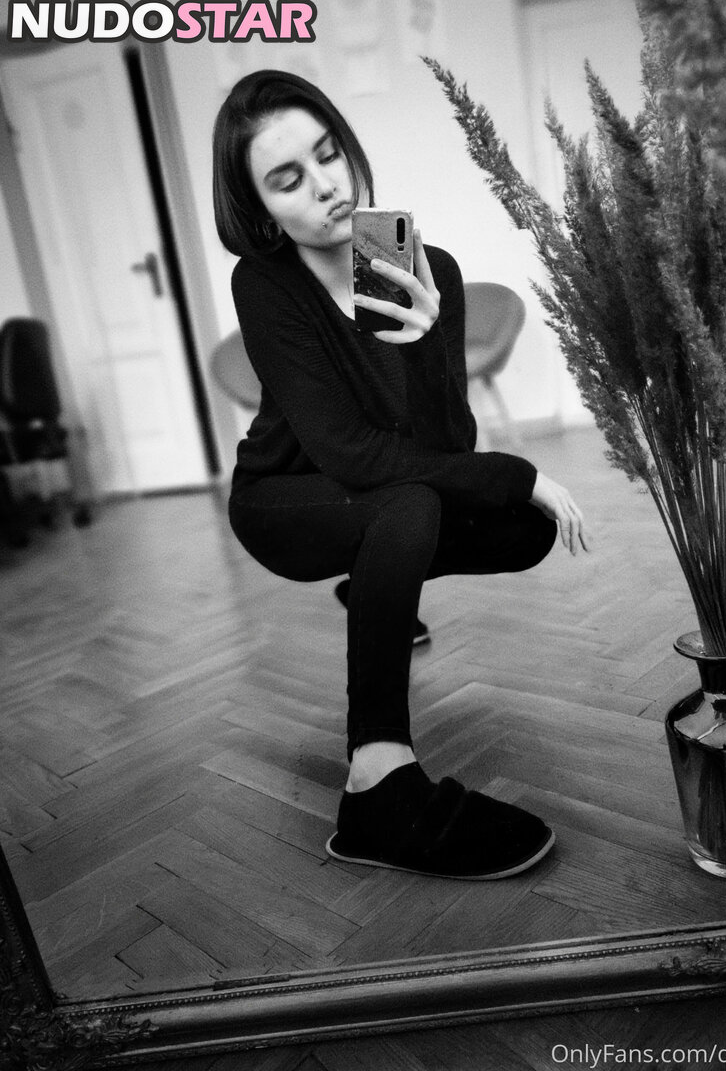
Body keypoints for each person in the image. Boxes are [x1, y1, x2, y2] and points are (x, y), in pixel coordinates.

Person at [212, 70, 590, 882]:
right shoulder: (266, 283)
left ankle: (379, 574)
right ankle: (376, 785)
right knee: (414, 501)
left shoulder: (419, 264)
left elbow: (446, 441)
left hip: (376, 497)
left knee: (522, 527)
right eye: (288, 178)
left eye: (328, 155)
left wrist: (423, 341)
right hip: (283, 499)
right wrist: (516, 471)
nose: (326, 186)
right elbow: (351, 454)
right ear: (262, 210)